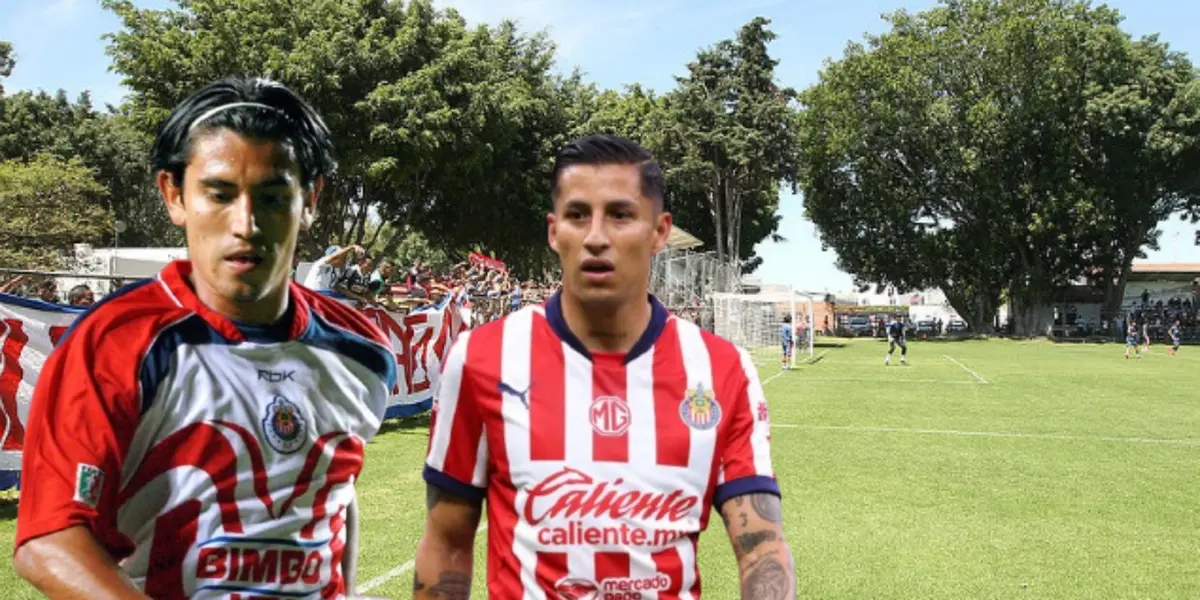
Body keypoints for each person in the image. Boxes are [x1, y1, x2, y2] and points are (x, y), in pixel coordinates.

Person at [12, 76, 396, 599]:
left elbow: (336, 491)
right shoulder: (112, 344)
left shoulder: (363, 352)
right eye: (219, 193)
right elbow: (51, 538)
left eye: (272, 196)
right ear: (174, 195)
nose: (246, 223)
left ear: (311, 199)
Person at [415, 135, 794, 598]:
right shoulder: (479, 358)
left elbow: (762, 550)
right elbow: (448, 541)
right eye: (578, 215)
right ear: (555, 232)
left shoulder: (722, 370)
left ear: (658, 231)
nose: (595, 237)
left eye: (620, 214)